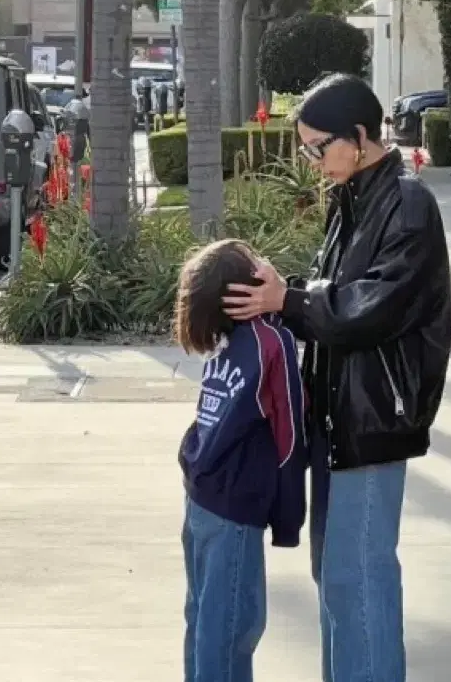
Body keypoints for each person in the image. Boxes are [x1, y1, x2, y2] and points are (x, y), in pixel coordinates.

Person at [223, 73, 451, 682]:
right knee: (337, 577)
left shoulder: (406, 202)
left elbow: (371, 307)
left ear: (358, 136)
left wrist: (288, 302)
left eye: (318, 147)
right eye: (306, 149)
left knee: (360, 579)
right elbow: (338, 295)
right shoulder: (352, 198)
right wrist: (288, 295)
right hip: (337, 420)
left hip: (375, 419)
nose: (313, 160)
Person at [176, 239, 307, 682]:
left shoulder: (226, 341)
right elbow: (290, 439)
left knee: (203, 623)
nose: (265, 261)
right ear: (246, 287)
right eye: (256, 260)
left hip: (199, 502)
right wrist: (289, 523)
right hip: (234, 514)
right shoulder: (273, 343)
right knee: (232, 631)